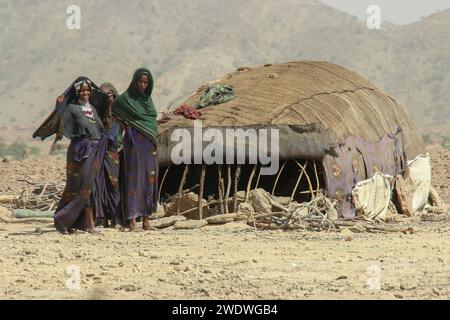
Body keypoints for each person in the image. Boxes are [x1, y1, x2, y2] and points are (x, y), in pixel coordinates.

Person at [42, 77, 108, 234]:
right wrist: (59, 106)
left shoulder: (92, 108)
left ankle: (86, 224)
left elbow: (100, 127)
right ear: (77, 92)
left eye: (87, 90)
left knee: (91, 187)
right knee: (80, 186)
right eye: (82, 90)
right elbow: (60, 122)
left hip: (94, 150)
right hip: (80, 151)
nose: (85, 93)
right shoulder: (71, 109)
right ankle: (63, 219)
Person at [112, 68, 158, 231]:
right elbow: (114, 109)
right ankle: (132, 221)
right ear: (134, 81)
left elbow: (151, 118)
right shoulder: (126, 99)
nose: (143, 85)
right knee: (134, 180)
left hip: (149, 144)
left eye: (146, 82)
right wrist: (124, 124)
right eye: (140, 82)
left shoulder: (148, 100)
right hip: (134, 144)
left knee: (148, 181)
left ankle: (146, 220)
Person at [98, 82, 122, 228]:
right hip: (99, 151)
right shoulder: (98, 112)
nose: (108, 98)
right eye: (104, 95)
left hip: (112, 151)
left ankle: (116, 217)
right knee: (100, 183)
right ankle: (102, 218)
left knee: (114, 183)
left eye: (109, 94)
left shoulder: (120, 111)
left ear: (113, 94)